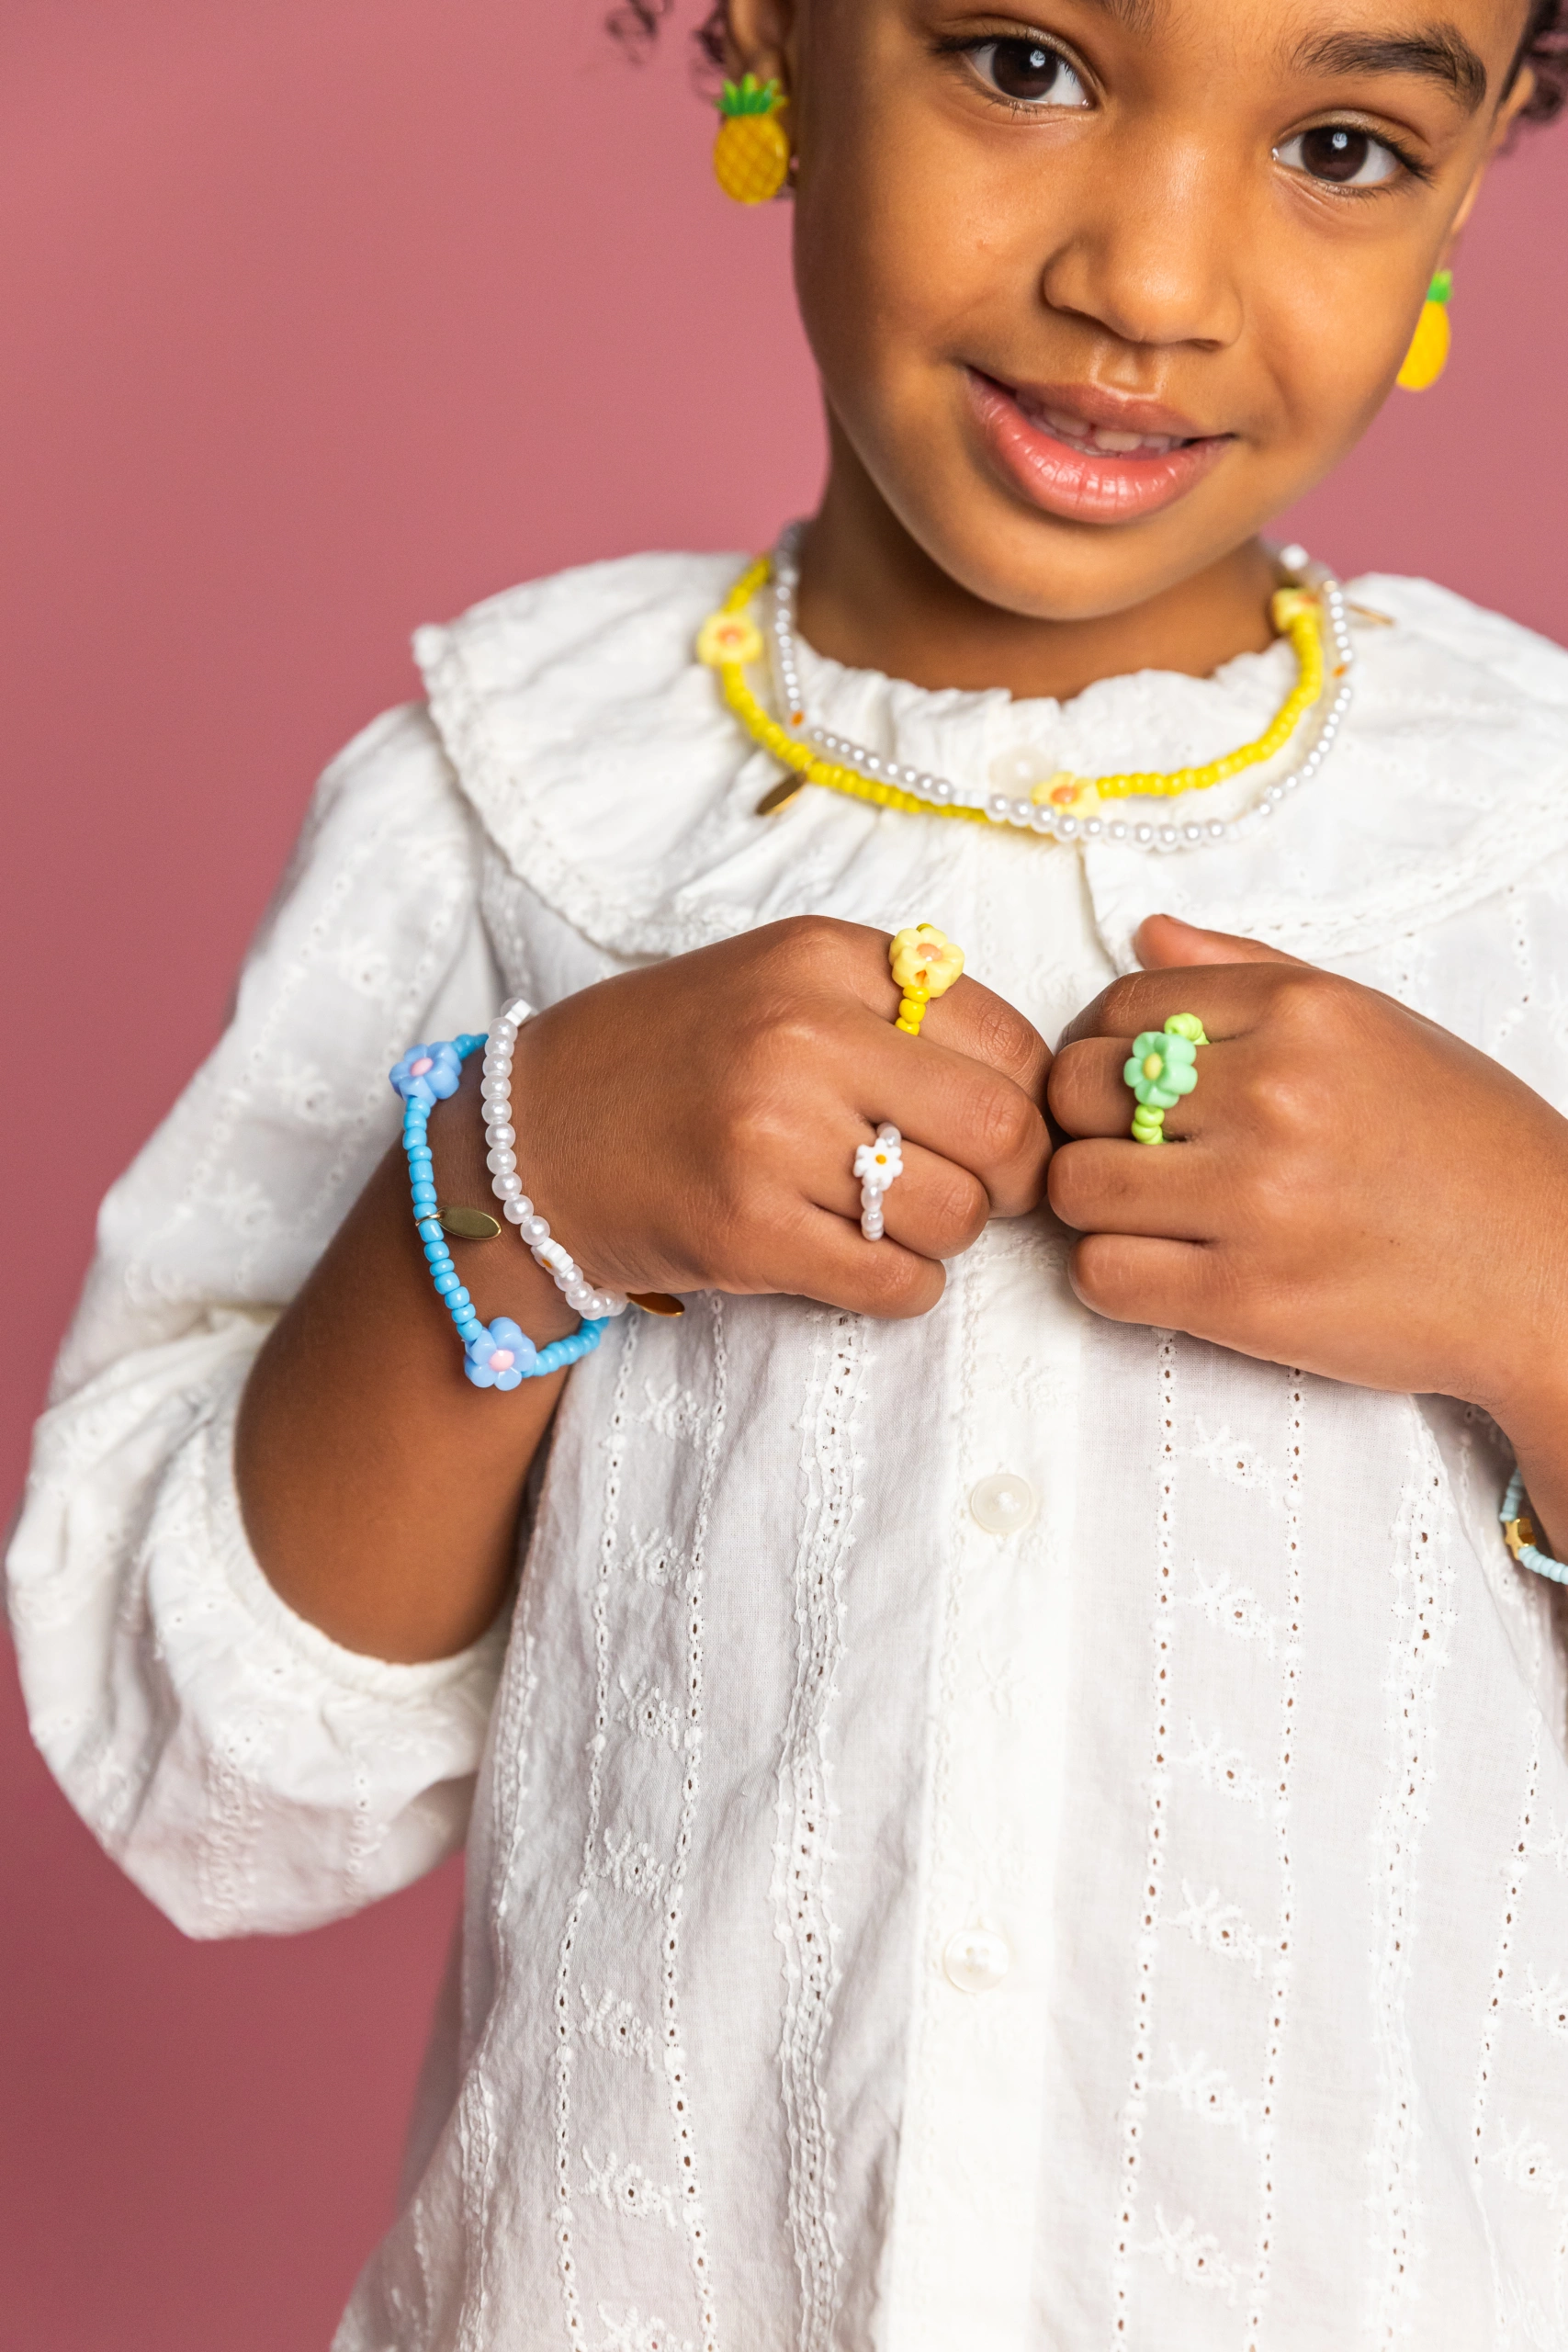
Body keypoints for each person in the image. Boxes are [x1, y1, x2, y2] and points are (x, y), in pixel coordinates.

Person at [10, 0, 1568, 2341]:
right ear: (767, 32)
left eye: (1340, 144)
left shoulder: (1529, 841)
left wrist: (1542, 1284)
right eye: (1025, 64)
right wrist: (520, 1174)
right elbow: (216, 1766)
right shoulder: (507, 803)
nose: (1152, 281)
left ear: (1479, 161)